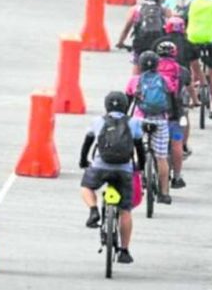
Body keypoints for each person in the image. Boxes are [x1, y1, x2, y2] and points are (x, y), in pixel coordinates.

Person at [80, 91, 146, 264]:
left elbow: (87, 143)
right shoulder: (133, 123)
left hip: (100, 167)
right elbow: (140, 149)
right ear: (126, 106)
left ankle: (93, 210)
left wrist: (83, 161)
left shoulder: (98, 121)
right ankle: (124, 251)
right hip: (124, 169)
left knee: (86, 187)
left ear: (106, 105)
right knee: (125, 210)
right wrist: (140, 167)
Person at [125, 51, 176, 204]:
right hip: (160, 121)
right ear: (157, 65)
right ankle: (164, 193)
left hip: (139, 121)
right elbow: (172, 101)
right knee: (161, 157)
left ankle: (135, 184)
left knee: (132, 152)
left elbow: (126, 103)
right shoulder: (165, 80)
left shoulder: (134, 81)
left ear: (140, 65)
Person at [153, 41, 191, 188]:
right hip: (175, 114)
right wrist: (195, 101)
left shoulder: (150, 69)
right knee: (177, 143)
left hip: (154, 114)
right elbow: (190, 90)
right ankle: (177, 177)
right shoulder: (182, 71)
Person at [115, 0, 172, 73]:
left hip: (141, 42)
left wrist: (120, 42)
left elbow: (126, 29)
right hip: (158, 41)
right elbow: (172, 24)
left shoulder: (136, 9)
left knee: (137, 62)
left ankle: (135, 83)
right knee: (160, 63)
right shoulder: (164, 10)